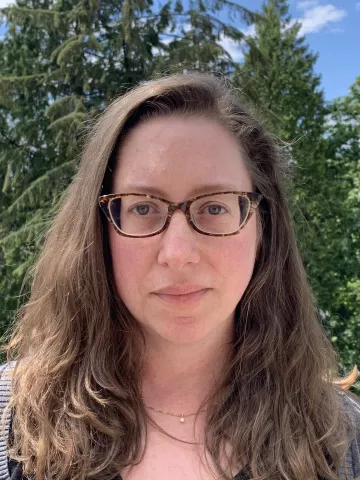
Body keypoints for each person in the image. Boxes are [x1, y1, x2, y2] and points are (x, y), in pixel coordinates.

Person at [0, 73, 359, 480]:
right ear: (98, 231)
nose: (178, 254)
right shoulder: (10, 417)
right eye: (141, 208)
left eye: (215, 207)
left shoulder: (342, 437)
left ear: (264, 229)